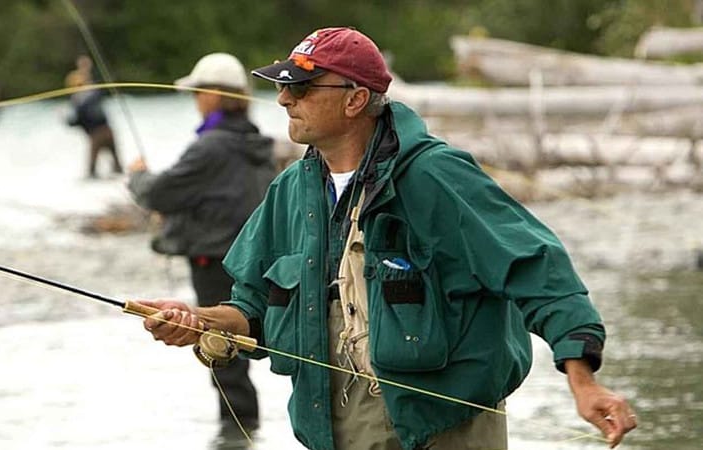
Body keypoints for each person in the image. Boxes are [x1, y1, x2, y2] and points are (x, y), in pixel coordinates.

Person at [137, 28, 638, 450]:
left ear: (356, 99)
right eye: (284, 88)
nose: (285, 99)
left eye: (304, 89)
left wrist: (583, 381)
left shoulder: (438, 176)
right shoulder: (290, 189)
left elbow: (536, 269)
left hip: (443, 430)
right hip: (333, 430)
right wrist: (198, 321)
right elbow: (251, 310)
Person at [126, 52, 276, 433]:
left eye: (197, 93)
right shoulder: (254, 141)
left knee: (221, 355)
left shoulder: (211, 145)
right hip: (251, 261)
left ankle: (235, 434)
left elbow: (159, 193)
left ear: (212, 95)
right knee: (237, 352)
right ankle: (246, 432)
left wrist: (138, 177)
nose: (195, 101)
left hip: (214, 260)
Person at [65, 57, 122, 179]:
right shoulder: (86, 96)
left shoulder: (86, 97)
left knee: (91, 172)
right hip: (107, 132)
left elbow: (77, 121)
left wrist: (67, 120)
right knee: (117, 166)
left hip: (97, 135)